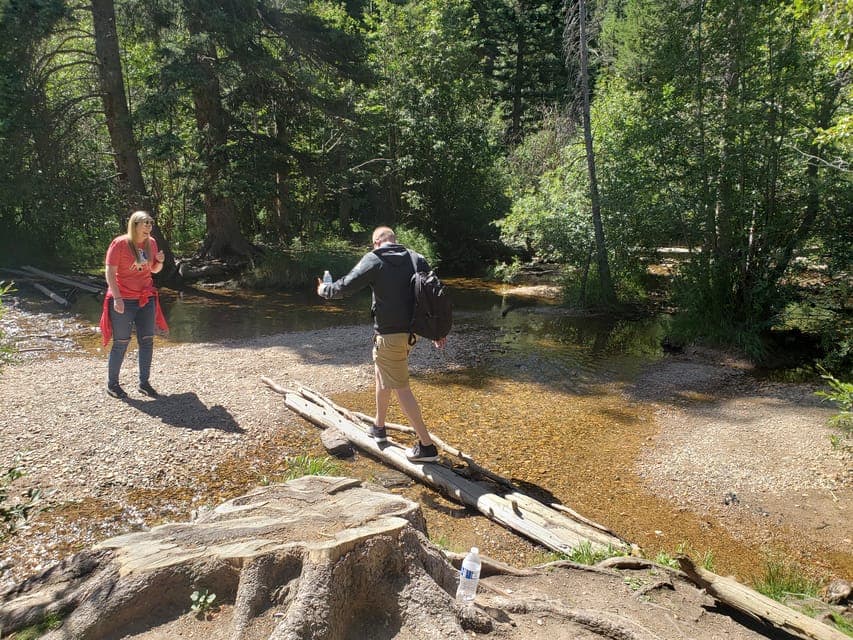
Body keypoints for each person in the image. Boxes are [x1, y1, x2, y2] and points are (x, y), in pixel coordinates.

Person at [317, 226, 447, 462]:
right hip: (411, 335)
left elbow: (346, 286)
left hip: (390, 337)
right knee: (381, 375)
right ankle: (379, 426)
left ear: (376, 242)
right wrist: (437, 332)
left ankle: (427, 446)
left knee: (401, 387)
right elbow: (433, 295)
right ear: (394, 240)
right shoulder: (416, 258)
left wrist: (324, 289)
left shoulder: (374, 259)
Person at [99, 210, 169, 399]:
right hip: (124, 299)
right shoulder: (120, 243)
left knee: (147, 340)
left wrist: (160, 262)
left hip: (146, 299)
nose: (148, 226)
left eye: (150, 222)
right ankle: (112, 385)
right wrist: (118, 298)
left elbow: (154, 269)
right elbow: (110, 272)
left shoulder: (151, 243)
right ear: (134, 224)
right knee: (121, 342)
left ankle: (144, 383)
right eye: (145, 222)